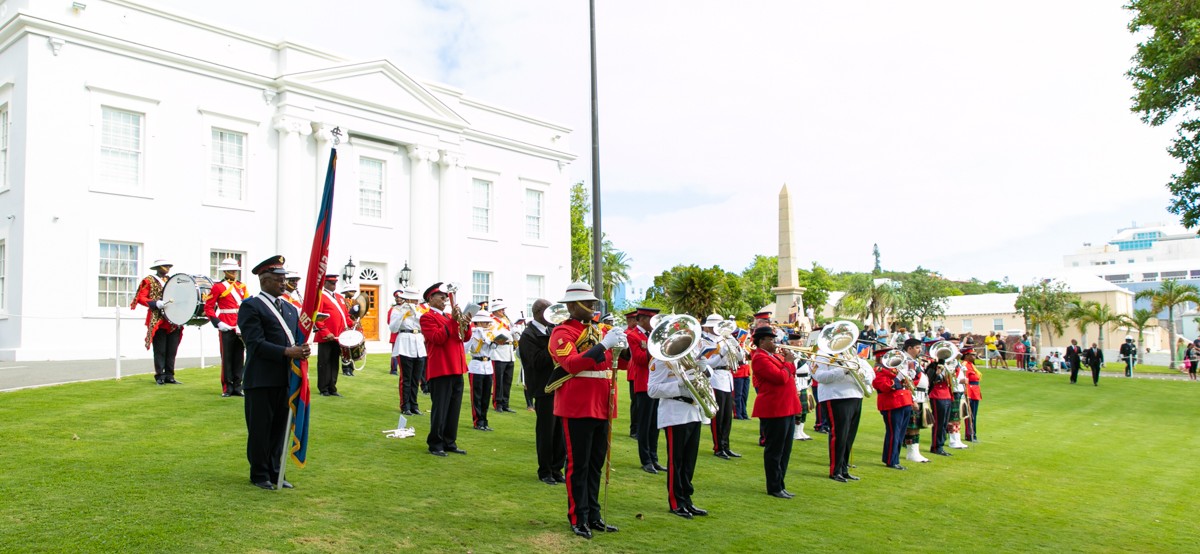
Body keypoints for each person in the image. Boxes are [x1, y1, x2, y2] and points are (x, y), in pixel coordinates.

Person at [547, 281, 624, 539]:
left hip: (602, 403)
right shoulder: (562, 332)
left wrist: (622, 347)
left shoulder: (601, 330)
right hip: (577, 404)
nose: (592, 306)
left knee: (595, 464)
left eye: (592, 302)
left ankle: (593, 514)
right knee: (578, 465)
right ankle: (577, 517)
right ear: (572, 306)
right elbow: (571, 364)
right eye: (587, 302)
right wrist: (603, 345)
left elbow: (620, 364)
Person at [236, 255, 309, 490]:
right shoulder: (251, 306)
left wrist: (302, 350)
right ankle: (259, 474)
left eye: (284, 279)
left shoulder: (289, 308)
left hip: (285, 379)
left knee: (280, 429)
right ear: (264, 280)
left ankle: (277, 472)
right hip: (261, 379)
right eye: (279, 279)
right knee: (260, 429)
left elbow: (295, 339)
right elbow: (255, 343)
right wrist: (289, 351)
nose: (283, 283)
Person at [648, 346, 711, 518]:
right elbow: (652, 390)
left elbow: (703, 381)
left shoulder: (688, 358)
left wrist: (703, 370)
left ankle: (687, 499)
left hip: (693, 412)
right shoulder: (660, 361)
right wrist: (679, 385)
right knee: (676, 462)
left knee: (689, 462)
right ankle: (676, 502)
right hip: (674, 414)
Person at [420, 282, 472, 457]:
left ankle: (449, 441)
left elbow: (464, 337)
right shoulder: (427, 317)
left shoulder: (450, 317)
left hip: (456, 366)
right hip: (441, 368)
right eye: (441, 297)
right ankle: (435, 443)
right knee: (440, 408)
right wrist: (453, 321)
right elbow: (437, 338)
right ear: (431, 299)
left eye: (445, 297)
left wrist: (466, 323)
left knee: (453, 408)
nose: (444, 300)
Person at [815, 335, 873, 483]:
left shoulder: (853, 355)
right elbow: (819, 377)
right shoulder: (823, 354)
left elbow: (870, 372)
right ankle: (835, 470)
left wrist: (863, 374)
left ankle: (844, 469)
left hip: (855, 395)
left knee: (849, 436)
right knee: (839, 435)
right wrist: (844, 371)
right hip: (836, 397)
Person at [750, 326, 801, 497]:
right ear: (761, 341)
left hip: (786, 407)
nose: (774, 341)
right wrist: (787, 362)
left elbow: (790, 373)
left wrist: (788, 363)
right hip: (774, 408)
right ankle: (774, 486)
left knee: (785, 450)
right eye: (770, 339)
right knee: (775, 450)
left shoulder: (774, 356)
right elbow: (780, 378)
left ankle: (780, 484)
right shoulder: (759, 358)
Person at [520, 298, 565, 485]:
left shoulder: (550, 331)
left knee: (560, 432)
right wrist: (554, 344)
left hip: (559, 385)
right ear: (539, 312)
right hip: (543, 387)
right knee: (546, 432)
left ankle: (556, 468)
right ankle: (545, 470)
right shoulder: (528, 335)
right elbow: (536, 362)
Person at [132, 259, 184, 386]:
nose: (167, 268)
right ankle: (160, 375)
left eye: (169, 265)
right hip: (158, 318)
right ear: (158, 267)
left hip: (173, 318)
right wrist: (155, 303)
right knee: (160, 349)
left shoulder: (172, 280)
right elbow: (141, 297)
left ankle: (170, 375)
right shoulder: (148, 280)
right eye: (165, 265)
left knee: (172, 349)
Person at [205, 258, 247, 396]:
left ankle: (237, 386)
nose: (233, 273)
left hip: (239, 325)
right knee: (227, 357)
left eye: (235, 270)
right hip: (226, 324)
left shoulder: (242, 287)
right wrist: (218, 323)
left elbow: (247, 306)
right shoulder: (218, 287)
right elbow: (209, 307)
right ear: (225, 271)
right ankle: (227, 387)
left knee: (239, 356)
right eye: (231, 270)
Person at [630, 307, 665, 474]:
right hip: (644, 384)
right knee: (644, 425)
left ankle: (654, 457)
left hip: (658, 384)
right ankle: (646, 460)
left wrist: (650, 345)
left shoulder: (652, 337)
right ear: (642, 319)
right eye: (651, 320)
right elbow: (639, 359)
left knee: (655, 424)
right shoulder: (633, 335)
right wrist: (654, 348)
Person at [699, 314, 738, 460]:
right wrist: (722, 354)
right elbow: (707, 364)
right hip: (715, 378)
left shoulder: (724, 339)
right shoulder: (704, 341)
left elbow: (740, 359)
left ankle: (726, 445)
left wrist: (735, 345)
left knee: (728, 415)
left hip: (727, 377)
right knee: (718, 416)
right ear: (708, 326)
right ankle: (718, 447)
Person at [872, 348, 913, 470]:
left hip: (904, 402)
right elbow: (884, 387)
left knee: (900, 433)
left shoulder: (895, 370)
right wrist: (896, 379)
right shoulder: (879, 371)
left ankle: (895, 458)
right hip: (891, 403)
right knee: (894, 432)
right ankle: (891, 460)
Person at [389, 287, 426, 416]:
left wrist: (416, 311)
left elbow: (424, 324)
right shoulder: (397, 310)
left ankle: (414, 405)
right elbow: (393, 328)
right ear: (408, 298)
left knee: (416, 378)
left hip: (419, 343)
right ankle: (405, 405)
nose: (416, 302)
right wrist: (402, 314)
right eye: (414, 300)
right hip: (405, 341)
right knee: (406, 378)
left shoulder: (421, 310)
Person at [313, 275, 350, 397]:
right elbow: (317, 317)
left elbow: (345, 315)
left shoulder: (339, 297)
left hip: (339, 336)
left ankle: (332, 387)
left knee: (334, 362)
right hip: (326, 336)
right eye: (331, 283)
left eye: (335, 283)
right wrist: (325, 331)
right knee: (324, 362)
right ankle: (323, 388)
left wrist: (352, 323)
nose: (334, 285)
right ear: (325, 283)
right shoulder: (320, 296)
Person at [900, 338, 932, 464]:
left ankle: (915, 451)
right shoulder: (905, 361)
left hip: (920, 396)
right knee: (912, 427)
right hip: (913, 396)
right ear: (909, 348)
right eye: (918, 347)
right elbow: (907, 381)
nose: (920, 350)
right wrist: (912, 399)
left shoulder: (913, 361)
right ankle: (911, 452)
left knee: (917, 426)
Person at [465, 310, 497, 431]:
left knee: (486, 396)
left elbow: (493, 347)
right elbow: (465, 348)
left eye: (488, 322)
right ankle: (478, 421)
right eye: (484, 322)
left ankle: (484, 420)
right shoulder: (473, 333)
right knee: (476, 396)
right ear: (478, 322)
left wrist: (491, 340)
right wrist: (475, 335)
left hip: (487, 366)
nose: (487, 325)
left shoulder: (489, 333)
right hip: (476, 365)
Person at [487, 300, 517, 413]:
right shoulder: (491, 322)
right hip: (499, 353)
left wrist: (516, 333)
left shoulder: (506, 321)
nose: (503, 311)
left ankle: (505, 403)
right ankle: (497, 403)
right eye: (501, 309)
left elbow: (512, 336)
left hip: (509, 352)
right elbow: (496, 337)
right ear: (495, 311)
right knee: (498, 381)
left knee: (507, 380)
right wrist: (510, 332)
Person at [926, 353, 954, 456]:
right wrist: (937, 373)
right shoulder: (933, 366)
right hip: (937, 395)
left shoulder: (948, 366)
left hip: (947, 395)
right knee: (939, 423)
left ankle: (940, 444)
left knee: (944, 423)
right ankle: (936, 446)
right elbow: (930, 379)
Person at [622, 310, 640, 437]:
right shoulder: (627, 334)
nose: (636, 321)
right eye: (634, 319)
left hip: (642, 371)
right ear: (629, 321)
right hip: (634, 370)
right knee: (636, 403)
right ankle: (634, 429)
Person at [340, 283, 363, 377]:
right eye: (351, 291)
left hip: (355, 325)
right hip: (346, 326)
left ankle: (351, 368)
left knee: (354, 348)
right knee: (345, 349)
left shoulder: (356, 302)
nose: (353, 293)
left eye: (354, 291)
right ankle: (345, 368)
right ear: (345, 292)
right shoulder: (342, 301)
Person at [732, 326, 752, 420]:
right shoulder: (734, 346)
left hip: (746, 372)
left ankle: (744, 413)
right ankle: (737, 413)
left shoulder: (744, 346)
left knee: (744, 394)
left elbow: (750, 356)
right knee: (738, 395)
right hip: (738, 372)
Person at [964, 353, 982, 442]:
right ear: (967, 356)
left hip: (975, 391)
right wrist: (967, 394)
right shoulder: (965, 365)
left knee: (974, 414)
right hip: (970, 391)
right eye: (972, 355)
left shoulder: (971, 365)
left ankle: (973, 433)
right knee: (971, 415)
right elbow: (966, 380)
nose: (974, 357)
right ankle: (970, 434)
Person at [386, 290, 404, 376]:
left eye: (400, 297)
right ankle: (393, 369)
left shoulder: (407, 308)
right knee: (395, 353)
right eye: (397, 298)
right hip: (396, 334)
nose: (399, 299)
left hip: (405, 334)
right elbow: (389, 321)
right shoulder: (393, 309)